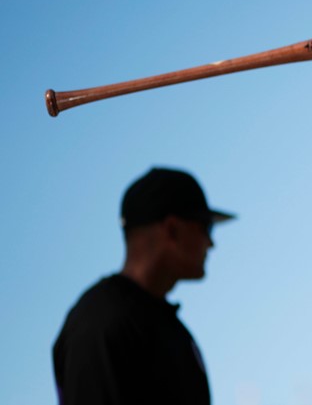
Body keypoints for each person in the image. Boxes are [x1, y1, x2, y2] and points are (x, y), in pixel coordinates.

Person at [52, 167, 235, 405]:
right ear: (172, 229)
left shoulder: (173, 332)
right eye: (205, 227)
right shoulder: (103, 321)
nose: (211, 243)